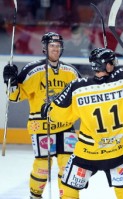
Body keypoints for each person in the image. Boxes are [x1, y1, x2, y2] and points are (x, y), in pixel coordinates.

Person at [40, 46, 123, 199]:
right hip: (117, 151)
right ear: (107, 65)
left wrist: (47, 109)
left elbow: (58, 116)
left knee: (68, 189)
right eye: (113, 62)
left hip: (87, 152)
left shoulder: (77, 87)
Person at [2, 32, 81, 199]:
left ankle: (68, 196)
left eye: (58, 45)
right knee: (42, 166)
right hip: (41, 127)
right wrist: (10, 81)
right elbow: (14, 97)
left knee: (68, 165)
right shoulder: (33, 70)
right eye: (52, 45)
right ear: (44, 48)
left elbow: (82, 96)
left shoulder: (71, 71)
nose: (55, 49)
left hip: (66, 126)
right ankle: (35, 196)